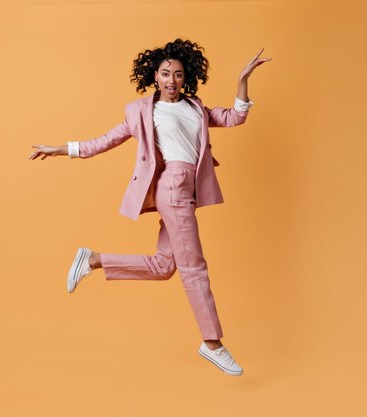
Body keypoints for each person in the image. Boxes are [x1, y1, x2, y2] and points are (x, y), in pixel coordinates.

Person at [29, 39, 270, 376]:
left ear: (187, 78)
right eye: (165, 73)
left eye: (179, 74)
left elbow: (234, 118)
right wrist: (60, 149)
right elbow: (102, 141)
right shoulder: (143, 112)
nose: (172, 80)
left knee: (165, 266)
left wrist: (243, 81)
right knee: (194, 267)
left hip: (189, 191)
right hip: (171, 187)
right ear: (154, 75)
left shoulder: (195, 108)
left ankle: (94, 259)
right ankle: (212, 343)